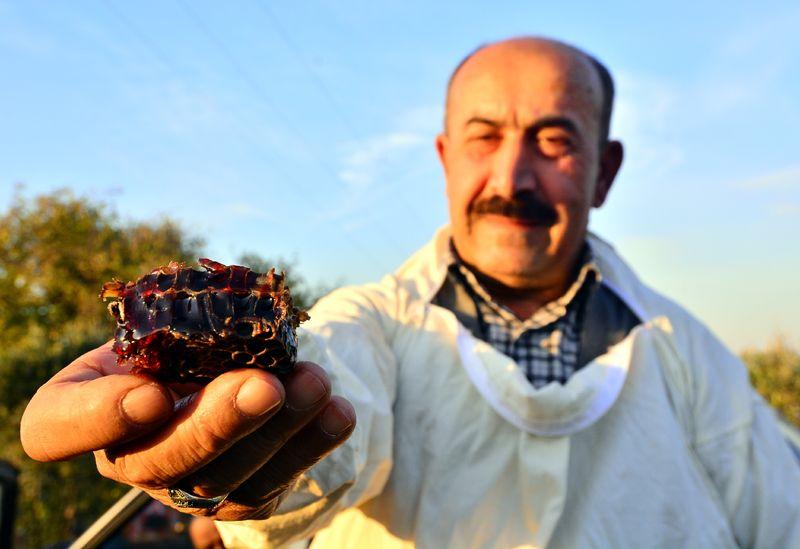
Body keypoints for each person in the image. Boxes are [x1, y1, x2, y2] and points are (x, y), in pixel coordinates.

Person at [20, 36, 800, 548]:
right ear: (443, 156)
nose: (512, 177)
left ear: (606, 170)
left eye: (555, 141)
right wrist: (245, 458)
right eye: (484, 136)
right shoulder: (376, 324)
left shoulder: (693, 357)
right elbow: (331, 415)